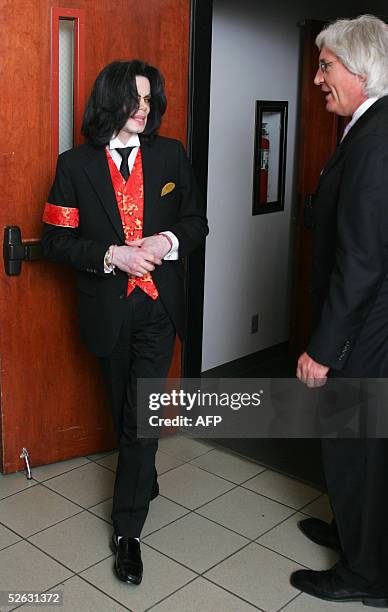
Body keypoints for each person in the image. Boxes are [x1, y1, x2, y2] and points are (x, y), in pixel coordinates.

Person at [42, 59, 208, 585]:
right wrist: (113, 255)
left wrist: (166, 241)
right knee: (124, 411)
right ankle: (143, 473)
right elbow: (56, 243)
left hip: (160, 309)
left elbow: (196, 222)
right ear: (109, 101)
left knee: (142, 417)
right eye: (136, 99)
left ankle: (128, 532)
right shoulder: (74, 167)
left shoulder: (171, 155)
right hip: (108, 308)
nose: (146, 108)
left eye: (150, 99)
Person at [293, 15, 388, 607]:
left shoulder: (375, 141)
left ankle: (364, 574)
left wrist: (323, 350)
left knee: (356, 450)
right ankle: (357, 536)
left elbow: (360, 260)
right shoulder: (368, 128)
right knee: (365, 453)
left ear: (360, 69)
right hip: (371, 327)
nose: (317, 78)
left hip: (366, 334)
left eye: (325, 66)